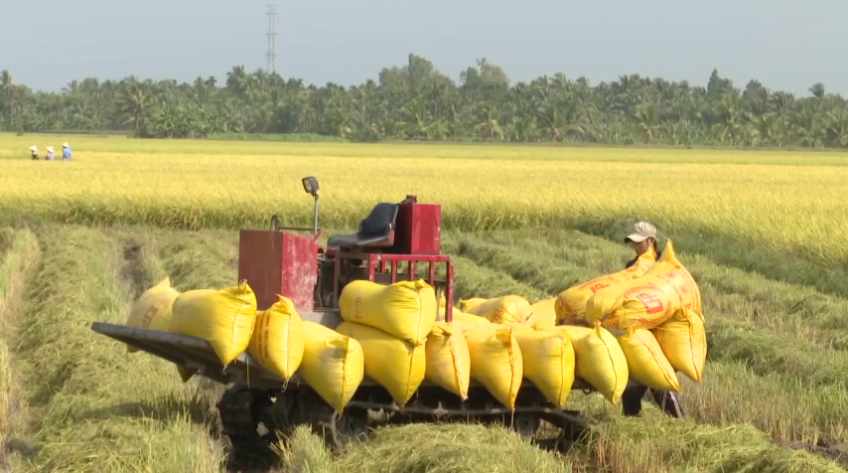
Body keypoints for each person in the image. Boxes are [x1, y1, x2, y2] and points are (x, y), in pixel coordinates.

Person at [619, 221, 684, 418]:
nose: (634, 246)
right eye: (632, 242)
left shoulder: (664, 265)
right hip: (639, 334)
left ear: (651, 241)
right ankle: (633, 425)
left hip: (659, 334)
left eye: (638, 242)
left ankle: (683, 426)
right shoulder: (631, 266)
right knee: (631, 390)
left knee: (659, 385)